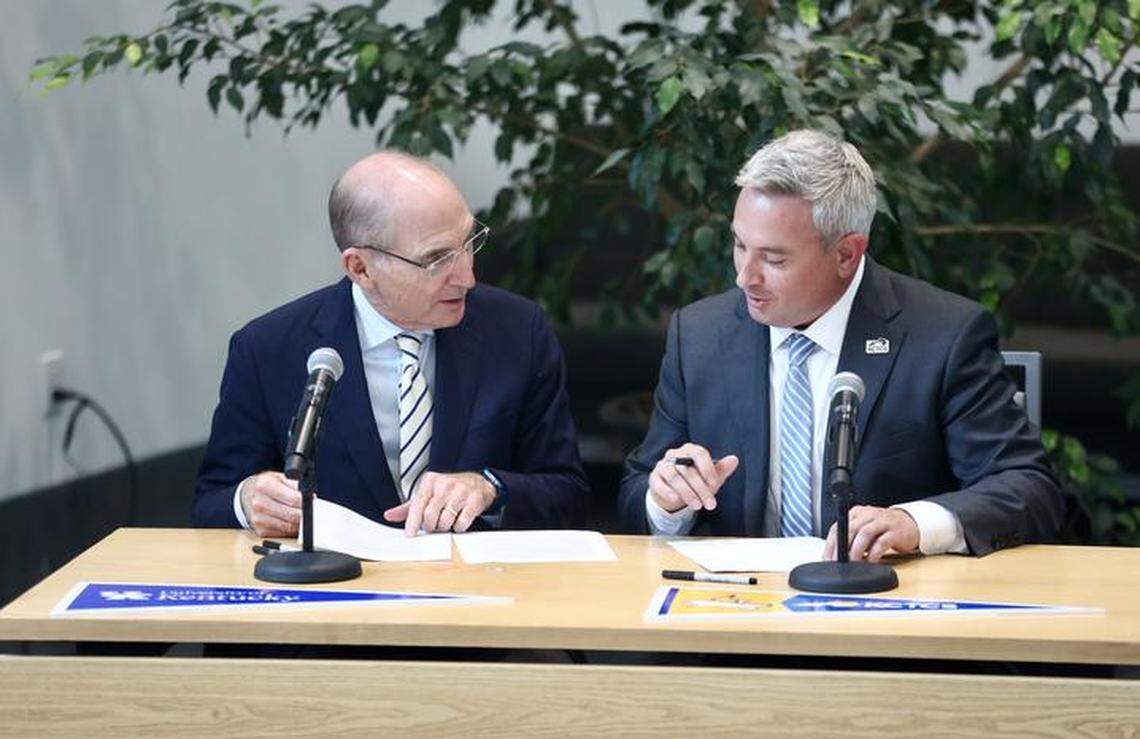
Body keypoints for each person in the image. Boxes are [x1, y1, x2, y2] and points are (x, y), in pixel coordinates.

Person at [618, 129, 1064, 559]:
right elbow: (638, 489)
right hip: (738, 612)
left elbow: (1026, 485)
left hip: (889, 611)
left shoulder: (945, 335)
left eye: (773, 259)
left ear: (847, 254)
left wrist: (914, 524)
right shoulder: (699, 335)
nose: (745, 276)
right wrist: (667, 501)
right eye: (739, 245)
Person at [194, 151, 589, 537]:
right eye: (437, 259)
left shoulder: (519, 331)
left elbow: (569, 495)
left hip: (478, 587)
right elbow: (211, 502)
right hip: (337, 591)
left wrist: (490, 488)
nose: (466, 276)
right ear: (360, 268)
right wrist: (247, 500)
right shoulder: (268, 349)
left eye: (469, 242)